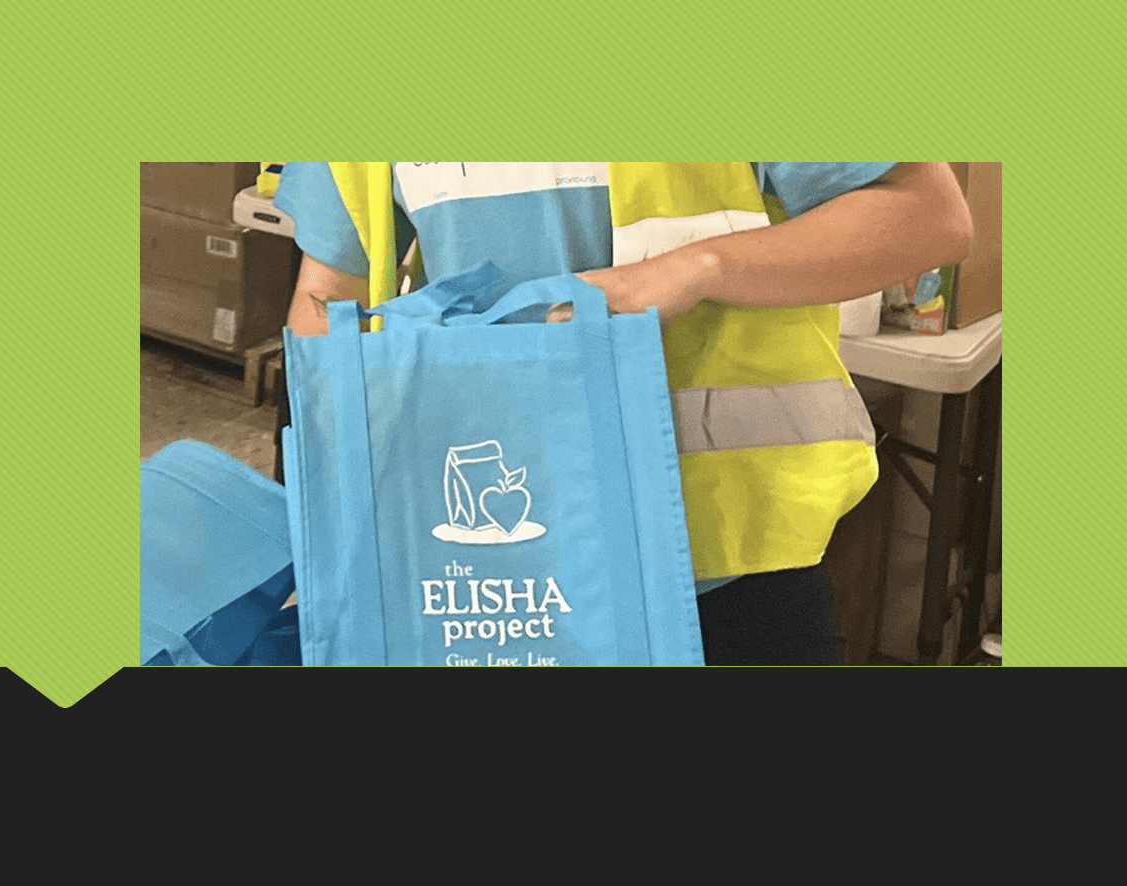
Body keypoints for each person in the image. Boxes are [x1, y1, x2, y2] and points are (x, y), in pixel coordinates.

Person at [274, 162, 972, 665]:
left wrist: (695, 271)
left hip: (723, 564)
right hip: (487, 576)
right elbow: (324, 302)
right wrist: (326, 541)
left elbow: (929, 217)